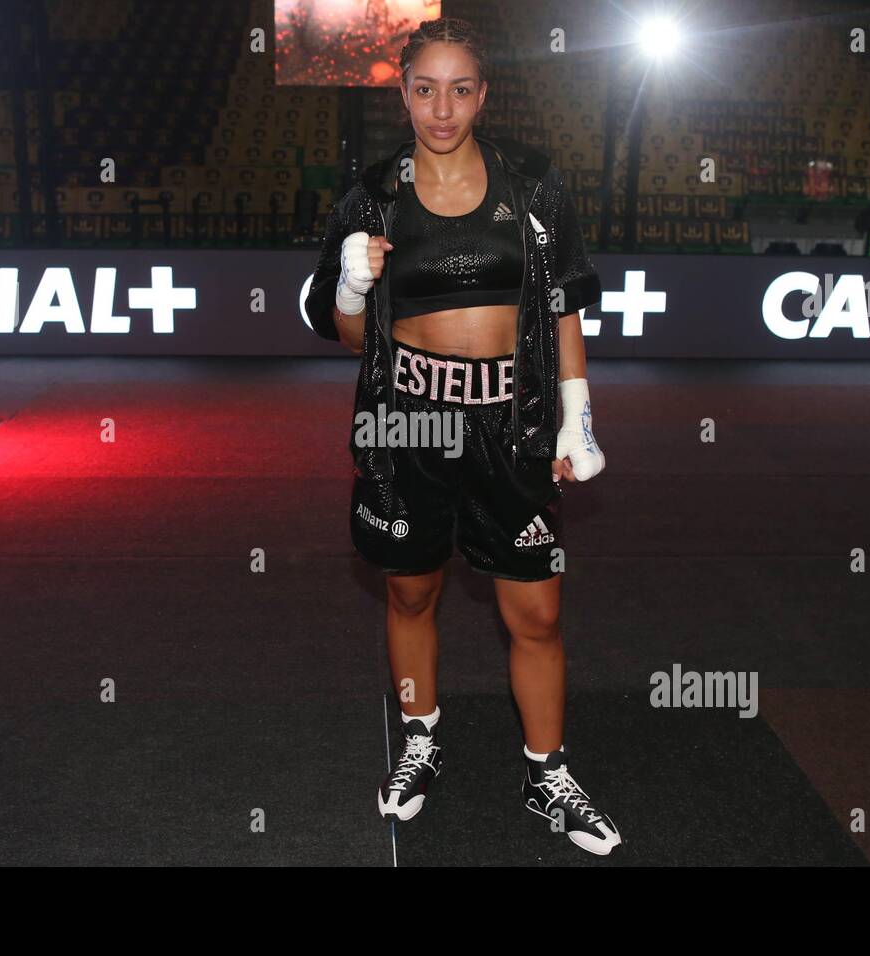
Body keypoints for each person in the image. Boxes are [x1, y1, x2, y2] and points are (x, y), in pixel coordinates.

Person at [304, 17, 620, 856]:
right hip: (405, 415)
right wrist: (348, 282)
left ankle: (547, 772)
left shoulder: (537, 182)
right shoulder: (370, 195)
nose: (442, 108)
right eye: (424, 88)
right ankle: (419, 738)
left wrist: (577, 415)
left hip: (510, 420)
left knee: (537, 610)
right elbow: (343, 333)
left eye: (461, 88)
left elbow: (564, 306)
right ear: (402, 92)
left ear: (485, 93)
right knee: (410, 593)